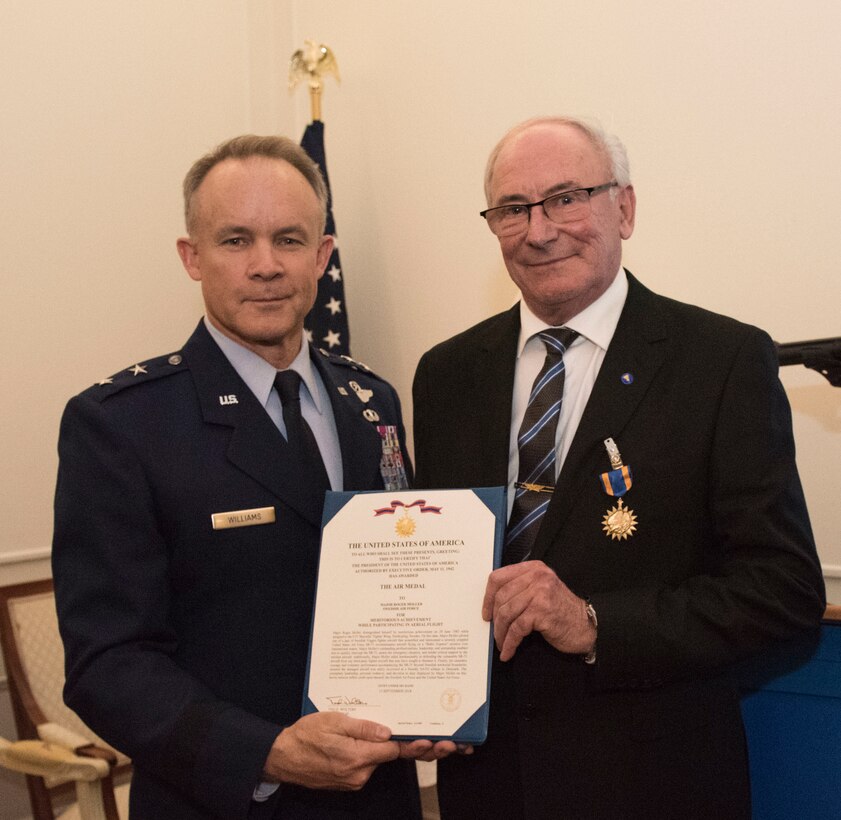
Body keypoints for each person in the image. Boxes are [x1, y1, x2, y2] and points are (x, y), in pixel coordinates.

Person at [412, 116, 827, 819]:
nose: (539, 229)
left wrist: (596, 622)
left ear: (624, 208)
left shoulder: (720, 361)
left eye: (567, 197)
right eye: (513, 209)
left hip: (652, 782)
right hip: (488, 785)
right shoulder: (446, 373)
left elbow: (782, 590)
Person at [52, 134, 453, 820]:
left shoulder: (372, 400)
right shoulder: (120, 425)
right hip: (223, 800)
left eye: (289, 240)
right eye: (236, 241)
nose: (265, 266)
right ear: (192, 257)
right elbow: (108, 664)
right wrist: (264, 753)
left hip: (377, 797)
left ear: (322, 256)